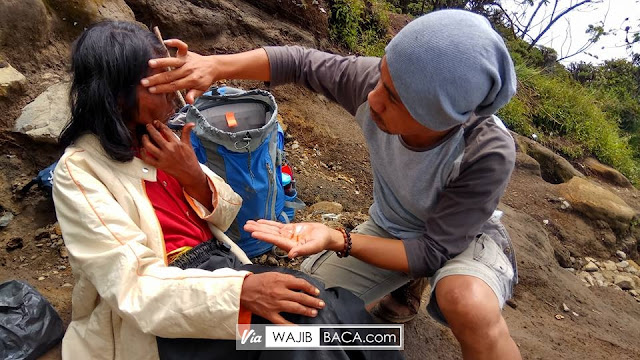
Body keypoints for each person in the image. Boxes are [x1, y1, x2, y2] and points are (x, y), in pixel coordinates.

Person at [142, 9, 521, 360]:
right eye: (381, 78)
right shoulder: (377, 85)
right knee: (307, 306)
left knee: (466, 303)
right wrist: (213, 66)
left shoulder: (486, 151)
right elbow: (301, 62)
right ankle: (388, 334)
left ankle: (416, 289)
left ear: (439, 117)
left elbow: (432, 251)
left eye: (392, 97)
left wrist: (339, 238)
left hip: (459, 240)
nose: (372, 97)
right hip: (393, 226)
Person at [54, 21, 399, 360]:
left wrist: (192, 176)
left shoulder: (162, 139)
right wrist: (241, 292)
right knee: (299, 337)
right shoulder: (80, 171)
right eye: (161, 83)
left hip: (219, 270)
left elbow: (228, 211)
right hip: (170, 320)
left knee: (335, 305)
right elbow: (133, 286)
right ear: (116, 99)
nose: (177, 92)